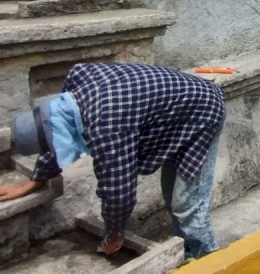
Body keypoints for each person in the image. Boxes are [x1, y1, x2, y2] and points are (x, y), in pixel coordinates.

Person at [0, 63, 225, 259]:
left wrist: (114, 233)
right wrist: (33, 181)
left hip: (203, 110)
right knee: (172, 195)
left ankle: (211, 261)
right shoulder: (77, 79)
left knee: (187, 204)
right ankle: (188, 254)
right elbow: (51, 135)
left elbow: (119, 192)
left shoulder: (105, 126)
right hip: (174, 112)